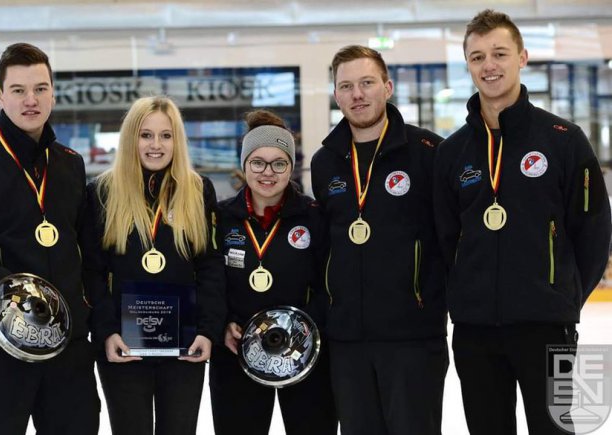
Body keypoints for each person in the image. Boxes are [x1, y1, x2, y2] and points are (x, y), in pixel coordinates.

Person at [433, 9, 612, 435]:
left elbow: (593, 231)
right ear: (468, 66)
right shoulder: (453, 152)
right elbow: (445, 238)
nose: (489, 66)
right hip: (476, 331)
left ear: (522, 57)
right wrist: (465, 295)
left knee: (565, 429)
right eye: (477, 57)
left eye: (499, 53)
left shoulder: (564, 140)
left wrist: (563, 297)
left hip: (549, 324)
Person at [0, 43, 100, 435]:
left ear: (52, 91)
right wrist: (10, 290)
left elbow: (83, 250)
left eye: (40, 88)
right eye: (18, 90)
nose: (31, 100)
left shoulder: (70, 164)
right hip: (0, 352)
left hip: (68, 350)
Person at [310, 45, 448, 435]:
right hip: (347, 340)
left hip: (414, 337)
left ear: (387, 87)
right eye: (347, 86)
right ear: (336, 95)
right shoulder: (325, 163)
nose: (358, 94)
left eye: (367, 83)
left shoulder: (428, 152)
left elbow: (450, 238)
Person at [81, 96, 226, 435]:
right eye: (146, 135)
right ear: (131, 138)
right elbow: (92, 271)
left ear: (178, 140)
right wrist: (106, 332)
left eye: (166, 135)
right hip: (124, 346)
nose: (156, 145)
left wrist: (207, 330)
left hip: (184, 346)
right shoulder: (102, 192)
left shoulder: (197, 189)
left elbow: (209, 265)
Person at [209, 109, 338, 435]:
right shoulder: (221, 218)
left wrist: (309, 327)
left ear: (291, 167)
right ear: (244, 165)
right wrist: (222, 324)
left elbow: (331, 282)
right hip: (238, 353)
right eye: (257, 162)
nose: (268, 172)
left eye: (279, 163)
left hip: (305, 352)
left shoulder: (313, 217)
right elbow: (208, 280)